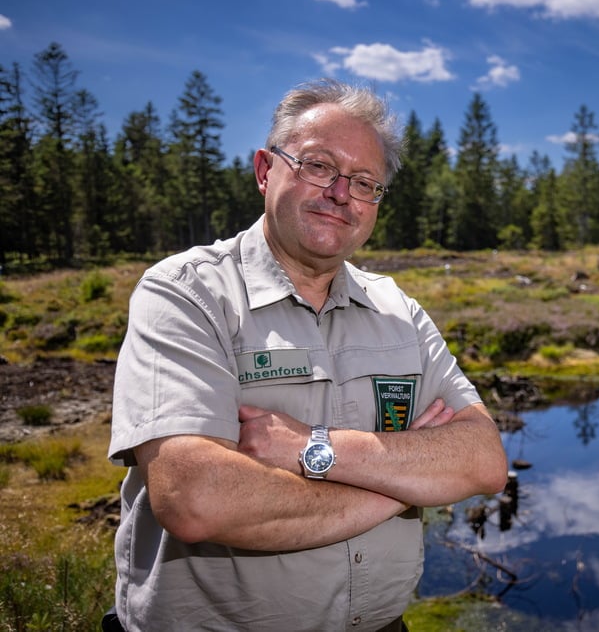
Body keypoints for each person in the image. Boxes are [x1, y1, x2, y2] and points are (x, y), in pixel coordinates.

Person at [106, 78, 509, 632]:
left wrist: (314, 448)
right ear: (264, 170)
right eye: (318, 166)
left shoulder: (399, 310)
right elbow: (196, 498)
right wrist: (398, 486)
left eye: (365, 182)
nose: (342, 193)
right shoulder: (187, 293)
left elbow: (483, 460)